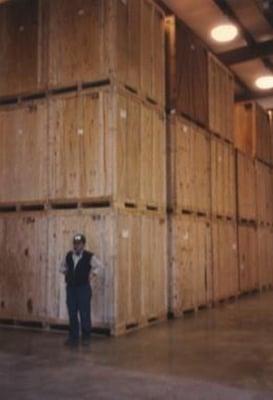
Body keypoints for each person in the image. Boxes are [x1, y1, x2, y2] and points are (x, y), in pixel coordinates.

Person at [60, 233, 103, 347]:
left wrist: (91, 275)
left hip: (83, 288)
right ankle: (73, 337)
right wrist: (67, 274)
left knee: (84, 313)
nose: (76, 246)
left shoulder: (89, 256)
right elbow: (62, 267)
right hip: (71, 289)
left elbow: (99, 266)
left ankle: (86, 337)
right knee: (72, 313)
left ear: (83, 244)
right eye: (75, 244)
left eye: (79, 244)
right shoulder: (68, 255)